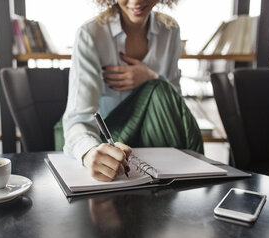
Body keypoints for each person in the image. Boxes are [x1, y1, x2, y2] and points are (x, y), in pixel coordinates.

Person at [58, 0, 203, 182]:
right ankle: (197, 175)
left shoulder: (170, 29)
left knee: (160, 88)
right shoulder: (91, 33)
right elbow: (78, 119)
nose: (136, 1)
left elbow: (174, 103)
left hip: (153, 137)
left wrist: (151, 77)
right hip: (105, 139)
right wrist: (89, 152)